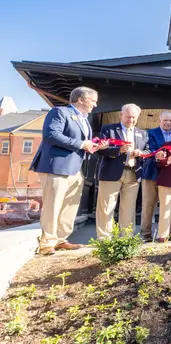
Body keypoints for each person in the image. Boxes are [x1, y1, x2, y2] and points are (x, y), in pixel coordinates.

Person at [30, 86, 102, 255]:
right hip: (56, 166)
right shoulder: (59, 112)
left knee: (70, 205)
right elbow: (51, 135)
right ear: (81, 99)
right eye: (93, 101)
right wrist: (81, 144)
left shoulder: (85, 119)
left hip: (75, 168)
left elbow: (81, 143)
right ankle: (47, 242)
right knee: (53, 204)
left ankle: (61, 239)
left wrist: (91, 147)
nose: (95, 105)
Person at [95, 103, 149, 239]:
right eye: (128, 117)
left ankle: (126, 238)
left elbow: (149, 150)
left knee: (128, 208)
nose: (131, 120)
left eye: (134, 117)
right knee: (106, 207)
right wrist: (118, 150)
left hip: (133, 173)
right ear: (121, 115)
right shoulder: (109, 130)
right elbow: (100, 149)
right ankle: (104, 239)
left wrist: (141, 152)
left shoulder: (142, 133)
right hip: (111, 172)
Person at [140, 111, 171, 241]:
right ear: (159, 121)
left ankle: (164, 234)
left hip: (168, 175)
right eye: (165, 120)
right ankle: (146, 235)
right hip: (151, 173)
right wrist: (158, 155)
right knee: (149, 205)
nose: (168, 123)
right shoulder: (150, 133)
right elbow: (150, 149)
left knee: (167, 205)